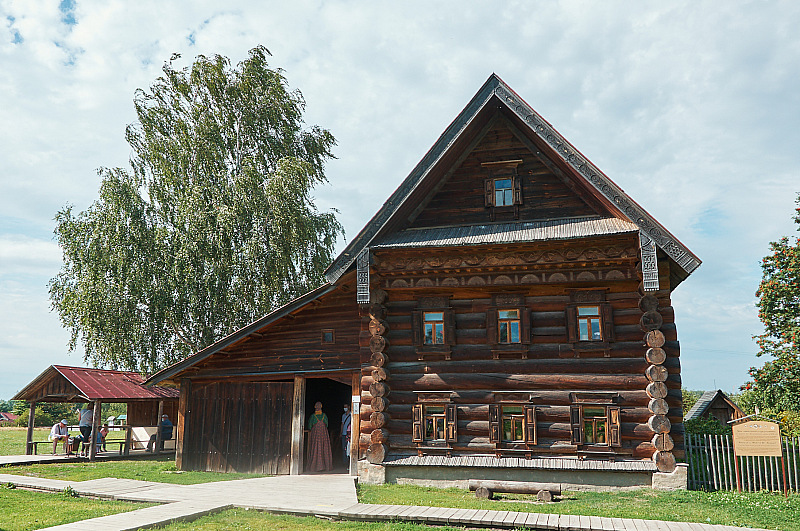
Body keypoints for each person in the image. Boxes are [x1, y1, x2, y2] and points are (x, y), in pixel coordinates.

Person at [306, 401, 333, 472]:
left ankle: (315, 467)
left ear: (315, 407)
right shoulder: (324, 416)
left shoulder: (313, 416)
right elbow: (327, 424)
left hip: (315, 435)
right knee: (324, 448)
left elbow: (310, 426)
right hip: (324, 435)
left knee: (315, 448)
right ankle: (325, 466)